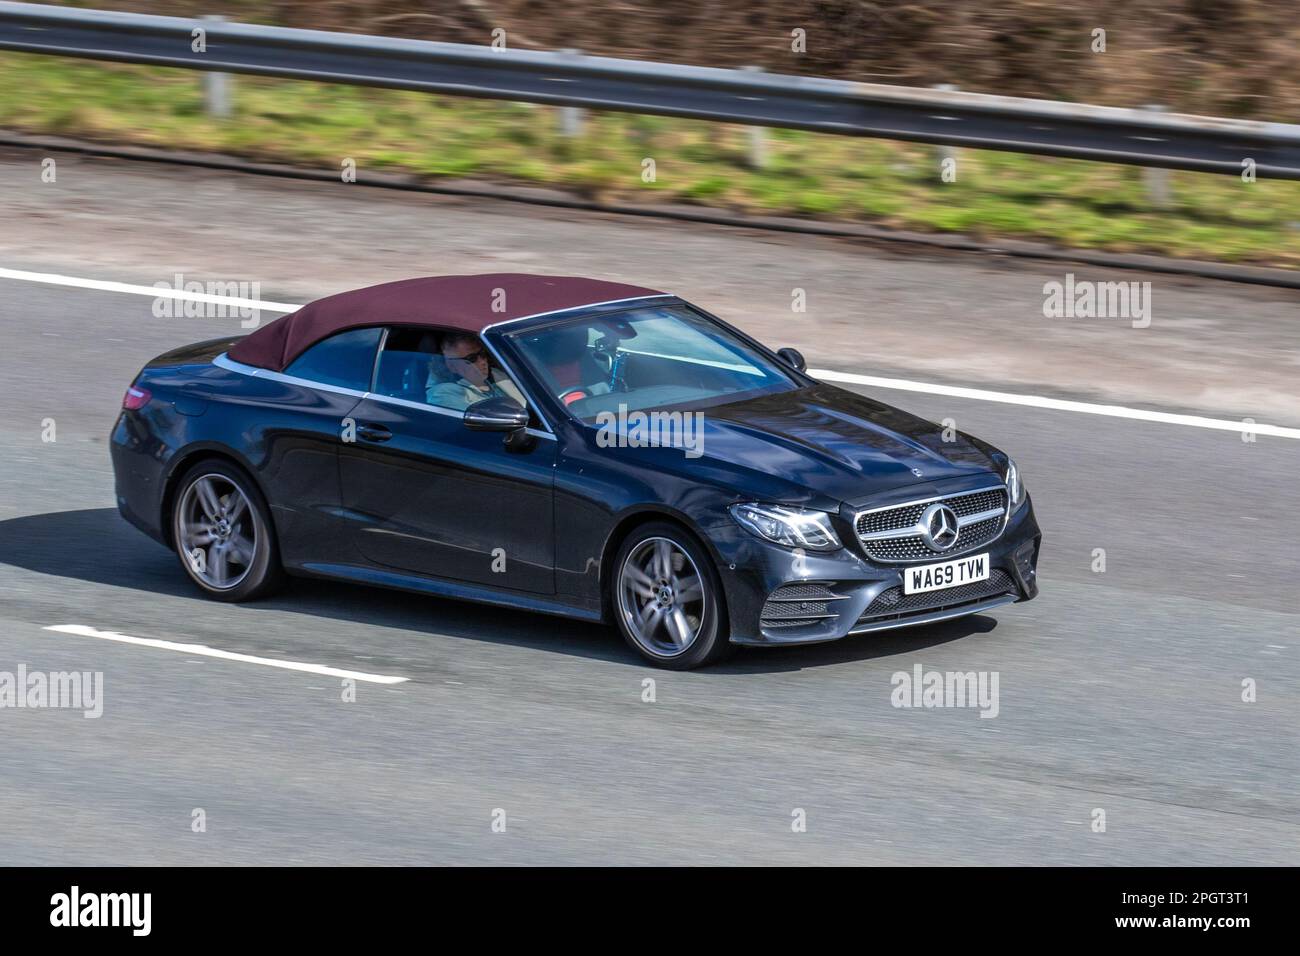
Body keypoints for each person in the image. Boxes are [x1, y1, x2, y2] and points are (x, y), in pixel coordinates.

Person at [427, 332, 526, 410]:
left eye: (482, 354)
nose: (482, 361)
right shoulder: (444, 393)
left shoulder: (498, 374)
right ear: (451, 365)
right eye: (472, 358)